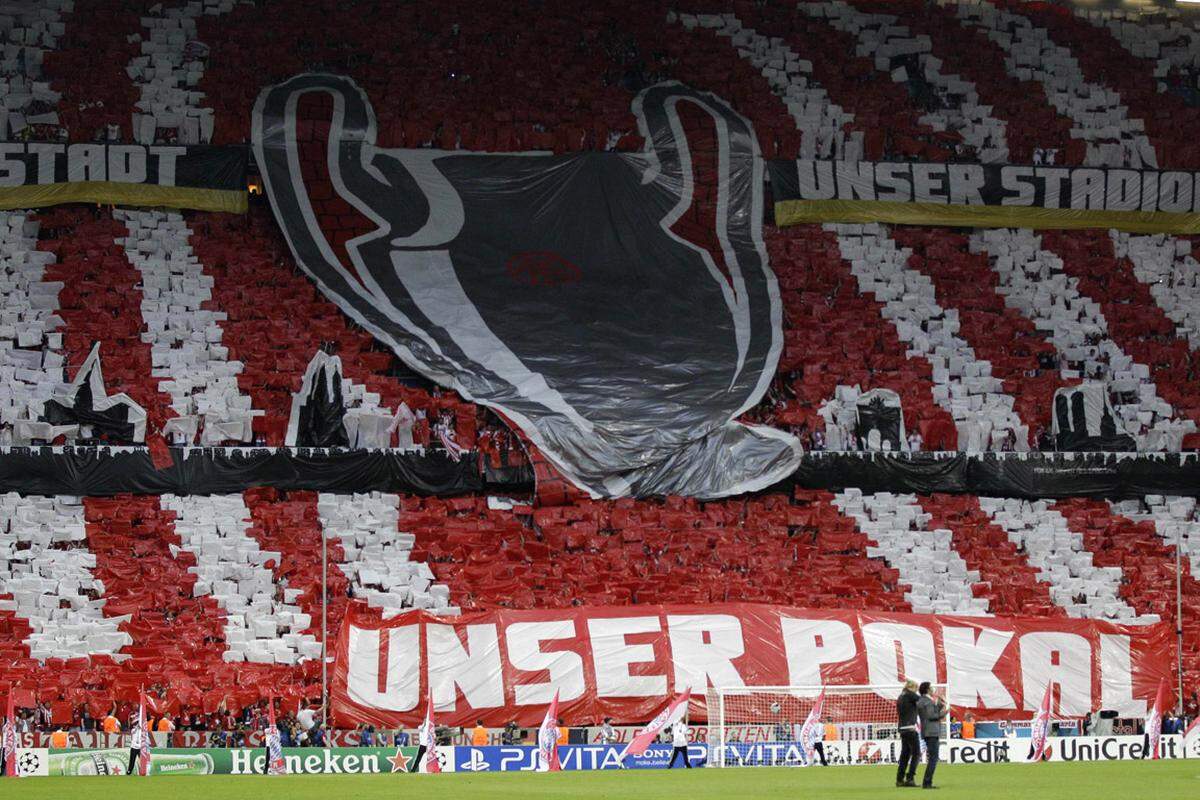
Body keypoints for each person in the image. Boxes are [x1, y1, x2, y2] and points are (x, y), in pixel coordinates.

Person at [916, 682, 947, 790]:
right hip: (932, 732)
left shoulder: (922, 701)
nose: (932, 689)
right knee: (933, 758)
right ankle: (927, 782)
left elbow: (930, 713)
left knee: (932, 758)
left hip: (927, 731)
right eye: (931, 687)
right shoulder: (927, 701)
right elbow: (932, 716)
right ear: (927, 689)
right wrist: (945, 713)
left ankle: (927, 782)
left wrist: (939, 705)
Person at [896, 679, 920, 788]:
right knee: (916, 753)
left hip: (902, 728)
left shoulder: (901, 695)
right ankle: (910, 778)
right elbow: (922, 701)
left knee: (905, 755)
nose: (916, 691)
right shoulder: (910, 695)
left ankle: (899, 779)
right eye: (916, 689)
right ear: (912, 687)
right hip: (910, 728)